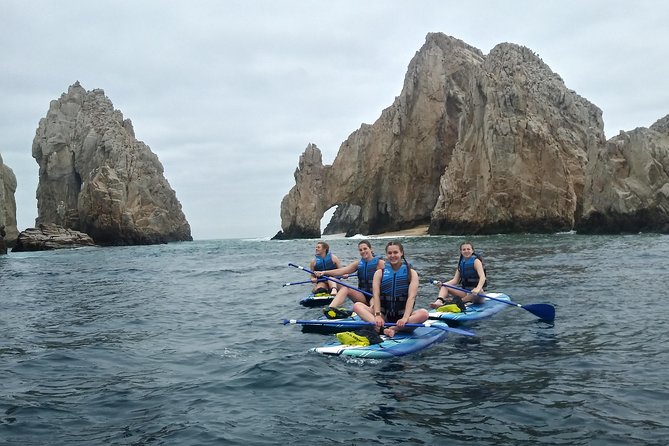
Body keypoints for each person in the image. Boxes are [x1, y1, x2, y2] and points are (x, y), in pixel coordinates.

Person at [352, 241, 429, 337]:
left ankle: (393, 329)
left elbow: (411, 297)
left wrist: (405, 318)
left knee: (424, 314)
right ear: (386, 254)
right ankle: (384, 329)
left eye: (395, 252)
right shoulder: (379, 273)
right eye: (389, 253)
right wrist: (377, 315)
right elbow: (376, 296)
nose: (392, 255)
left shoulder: (411, 273)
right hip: (385, 317)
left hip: (404, 319)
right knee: (357, 306)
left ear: (402, 253)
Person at [314, 240, 385, 318]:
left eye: (365, 249)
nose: (363, 251)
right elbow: (342, 270)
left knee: (374, 303)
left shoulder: (380, 263)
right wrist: (324, 272)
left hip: (375, 296)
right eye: (360, 250)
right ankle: (330, 309)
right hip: (362, 295)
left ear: (371, 249)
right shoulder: (358, 264)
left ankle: (369, 314)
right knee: (346, 288)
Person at [430, 241, 487, 312]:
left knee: (480, 291)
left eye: (468, 249)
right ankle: (439, 302)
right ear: (461, 251)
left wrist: (477, 289)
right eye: (464, 249)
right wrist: (442, 284)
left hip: (477, 295)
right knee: (445, 285)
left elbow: (482, 277)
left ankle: (457, 302)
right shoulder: (461, 263)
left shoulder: (476, 261)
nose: (466, 251)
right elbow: (455, 281)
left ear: (472, 250)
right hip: (466, 292)